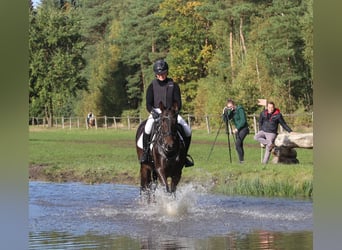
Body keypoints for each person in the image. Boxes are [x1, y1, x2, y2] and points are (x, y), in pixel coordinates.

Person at [140, 59, 194, 167]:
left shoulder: (173, 85)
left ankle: (184, 156)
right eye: (159, 74)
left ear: (167, 72)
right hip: (157, 111)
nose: (161, 76)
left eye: (163, 73)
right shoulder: (152, 86)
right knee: (147, 128)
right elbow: (148, 104)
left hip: (171, 113)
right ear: (156, 74)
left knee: (187, 130)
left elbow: (178, 102)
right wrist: (153, 112)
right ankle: (146, 153)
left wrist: (175, 111)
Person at [222, 99, 250, 163]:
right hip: (238, 130)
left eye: (231, 106)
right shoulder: (232, 111)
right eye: (229, 107)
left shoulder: (240, 109)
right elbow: (226, 119)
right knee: (239, 145)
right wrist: (224, 113)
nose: (230, 108)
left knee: (237, 144)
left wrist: (237, 128)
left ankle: (241, 160)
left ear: (234, 105)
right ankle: (242, 160)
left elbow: (243, 121)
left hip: (244, 128)